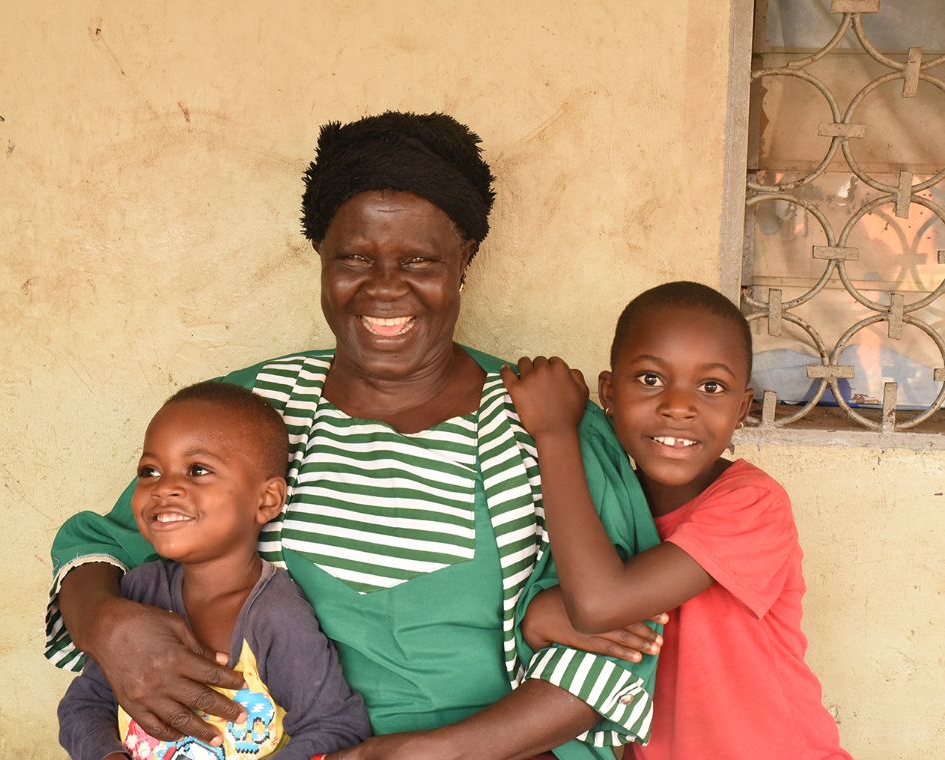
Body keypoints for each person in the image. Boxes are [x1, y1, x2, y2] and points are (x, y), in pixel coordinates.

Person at [46, 111, 663, 760]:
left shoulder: (547, 423)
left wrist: (423, 755)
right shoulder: (249, 411)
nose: (385, 288)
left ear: (466, 261)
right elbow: (106, 547)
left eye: (419, 260)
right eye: (355, 259)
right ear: (321, 258)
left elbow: (619, 651)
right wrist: (108, 624)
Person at [502, 281, 851, 759]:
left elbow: (600, 604)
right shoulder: (610, 507)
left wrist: (554, 430)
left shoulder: (752, 505)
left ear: (741, 409)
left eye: (711, 387)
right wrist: (538, 618)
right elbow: (581, 607)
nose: (679, 406)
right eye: (650, 379)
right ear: (608, 392)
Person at [57, 382, 370, 760]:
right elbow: (84, 705)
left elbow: (336, 727)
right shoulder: (139, 592)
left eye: (198, 470)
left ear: (267, 500)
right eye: (150, 470)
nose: (165, 487)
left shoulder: (275, 615)